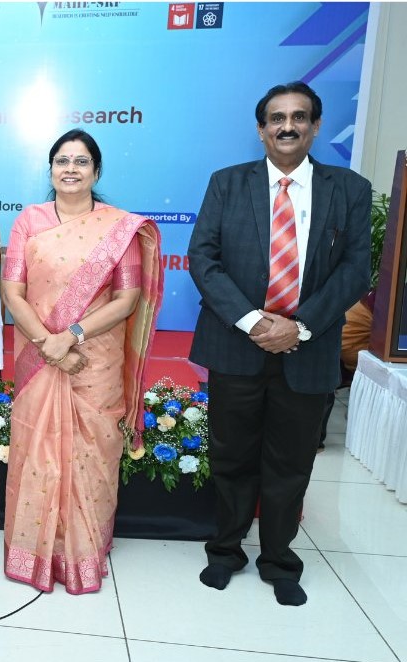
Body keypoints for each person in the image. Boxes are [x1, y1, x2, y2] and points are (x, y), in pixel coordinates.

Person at [188, 81, 371, 606]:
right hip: (235, 345)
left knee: (291, 463)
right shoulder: (227, 183)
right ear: (261, 129)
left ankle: (279, 560)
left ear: (315, 126)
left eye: (298, 117)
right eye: (276, 118)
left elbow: (355, 269)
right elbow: (203, 259)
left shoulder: (349, 189)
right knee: (231, 456)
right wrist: (253, 322)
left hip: (308, 349)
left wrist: (300, 326)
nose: (287, 126)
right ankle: (225, 551)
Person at [0, 129, 163, 594]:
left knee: (94, 453)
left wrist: (70, 336)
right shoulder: (29, 220)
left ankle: (84, 551)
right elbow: (12, 291)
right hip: (39, 352)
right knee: (37, 449)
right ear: (51, 169)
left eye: (81, 161)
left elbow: (127, 299)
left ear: (96, 170)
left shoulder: (118, 228)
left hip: (96, 357)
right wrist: (46, 342)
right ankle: (32, 550)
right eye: (62, 161)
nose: (70, 169)